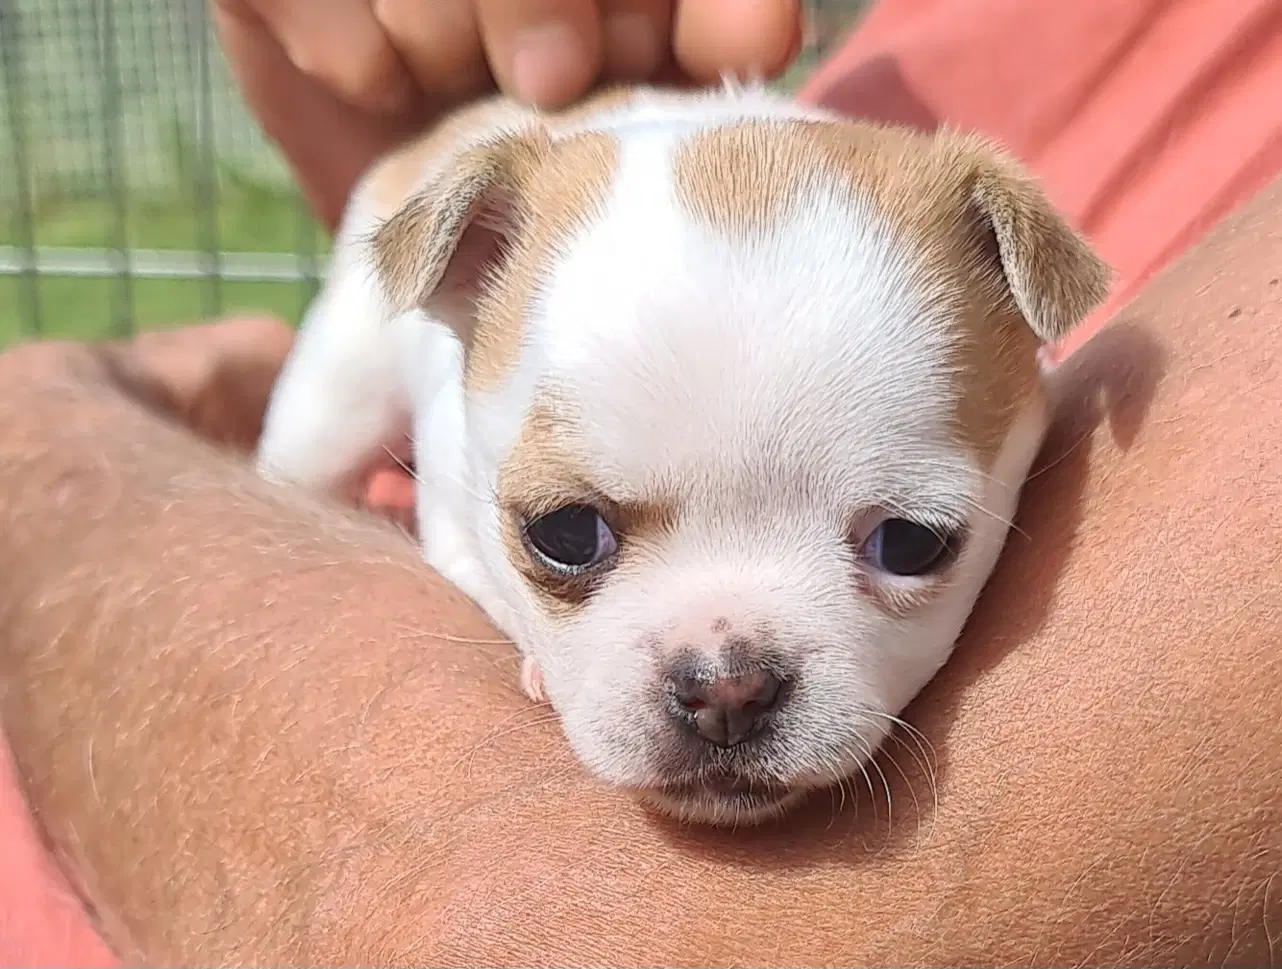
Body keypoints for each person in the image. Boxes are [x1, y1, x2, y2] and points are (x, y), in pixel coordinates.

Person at [2, 0, 1282, 964]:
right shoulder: (496, 270)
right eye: (571, 536)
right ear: (463, 288)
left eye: (901, 541)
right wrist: (471, 573)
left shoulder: (974, 268)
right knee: (304, 448)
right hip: (489, 150)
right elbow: (450, 465)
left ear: (1038, 351)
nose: (726, 683)